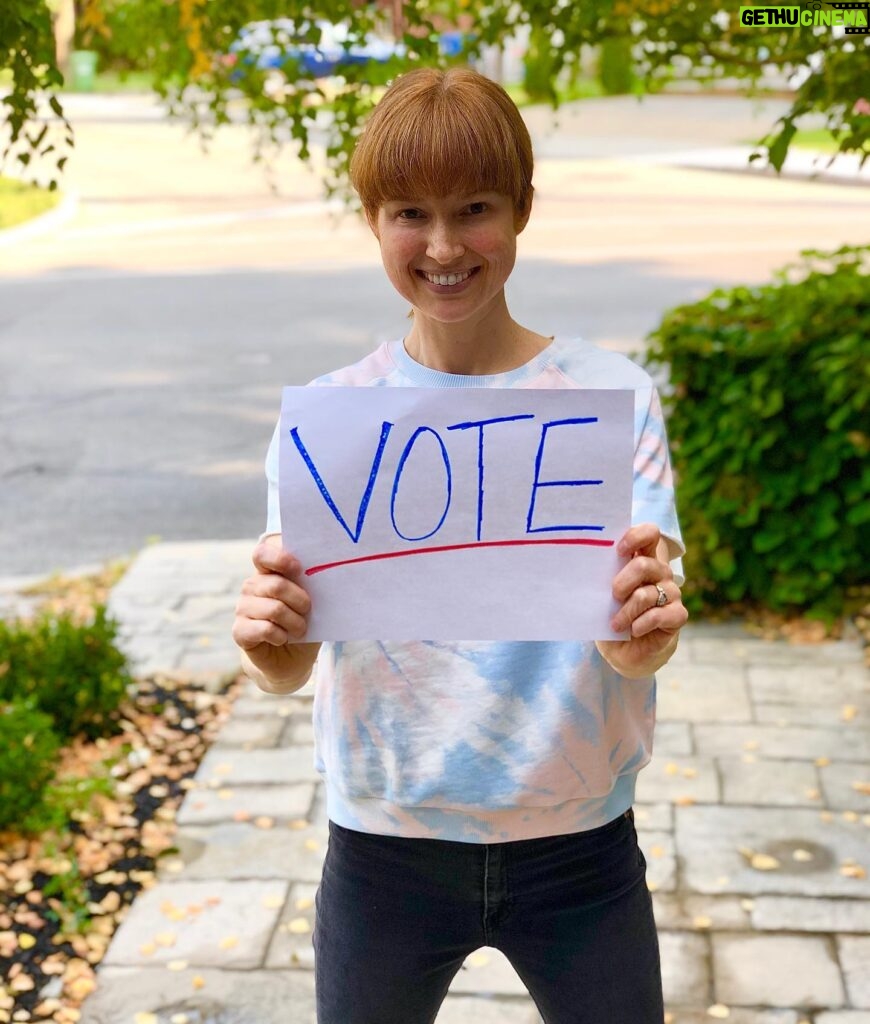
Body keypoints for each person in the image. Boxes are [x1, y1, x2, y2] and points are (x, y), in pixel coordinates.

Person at [232, 66, 688, 1024]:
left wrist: (642, 639)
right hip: (383, 849)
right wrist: (273, 650)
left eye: (474, 208)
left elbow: (634, 633)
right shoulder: (333, 423)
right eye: (410, 213)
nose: (443, 246)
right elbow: (293, 663)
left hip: (581, 847)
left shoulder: (612, 399)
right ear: (373, 219)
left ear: (522, 209)